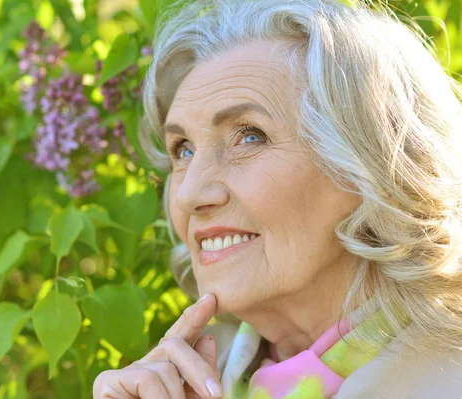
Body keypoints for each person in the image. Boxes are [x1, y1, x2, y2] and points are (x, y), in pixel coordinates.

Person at [93, 0, 462, 397]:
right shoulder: (195, 381)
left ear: (379, 166)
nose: (188, 194)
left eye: (249, 136)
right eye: (183, 149)